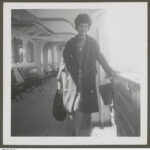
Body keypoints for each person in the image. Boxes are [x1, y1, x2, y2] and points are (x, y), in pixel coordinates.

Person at [62, 13, 117, 136]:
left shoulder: (92, 42)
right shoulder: (70, 43)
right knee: (75, 106)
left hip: (88, 78)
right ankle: (75, 131)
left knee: (86, 106)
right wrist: (71, 69)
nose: (83, 29)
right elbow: (65, 57)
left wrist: (110, 71)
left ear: (88, 28)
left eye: (86, 26)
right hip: (74, 79)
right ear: (76, 27)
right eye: (81, 26)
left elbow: (100, 57)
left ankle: (86, 132)